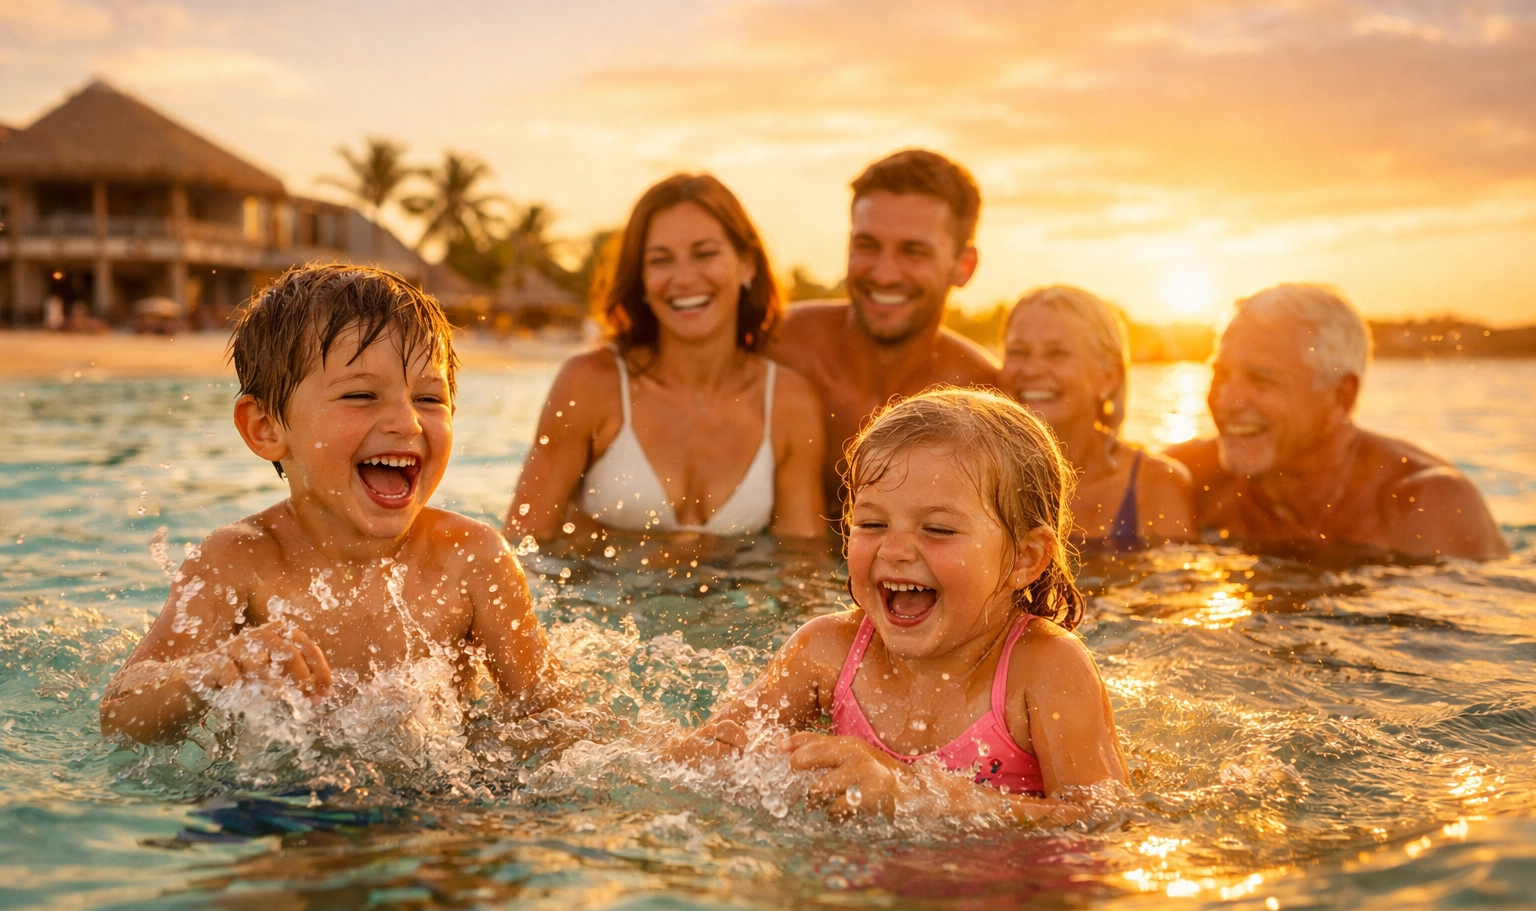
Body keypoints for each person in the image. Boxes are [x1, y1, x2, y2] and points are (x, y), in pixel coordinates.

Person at [101, 264, 560, 744]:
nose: (406, 422)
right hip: (272, 799)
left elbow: (550, 710)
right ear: (266, 428)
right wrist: (211, 672)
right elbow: (122, 715)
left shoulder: (472, 558)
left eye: (429, 398)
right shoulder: (238, 560)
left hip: (436, 799)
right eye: (361, 395)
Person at [671, 389, 1128, 825]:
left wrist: (912, 793)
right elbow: (707, 756)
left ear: (1024, 559)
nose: (894, 550)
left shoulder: (1046, 671)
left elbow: (1105, 821)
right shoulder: (827, 650)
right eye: (871, 523)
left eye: (938, 530)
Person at [507, 173, 825, 543]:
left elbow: (801, 570)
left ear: (747, 264)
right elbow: (520, 545)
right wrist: (658, 556)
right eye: (660, 260)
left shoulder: (790, 404)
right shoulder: (590, 384)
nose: (683, 278)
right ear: (640, 278)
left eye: (705, 254)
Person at [1167, 284, 1507, 563]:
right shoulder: (1184, 481)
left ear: (1340, 397)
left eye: (1261, 380)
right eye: (1220, 374)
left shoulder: (1425, 506)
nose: (1226, 400)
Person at [764, 150, 998, 507]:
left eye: (913, 252)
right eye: (867, 245)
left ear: (963, 266)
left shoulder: (985, 399)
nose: (884, 274)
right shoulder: (777, 346)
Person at [1000, 285, 1194, 550]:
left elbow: (1180, 588)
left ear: (1108, 376)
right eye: (1018, 352)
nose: (1031, 370)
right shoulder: (978, 478)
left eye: (1057, 353)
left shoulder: (1154, 486)